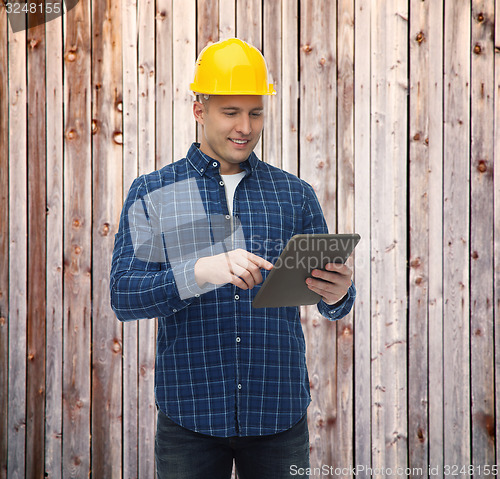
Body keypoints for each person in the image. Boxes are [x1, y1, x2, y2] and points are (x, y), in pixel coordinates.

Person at [110, 38, 356, 479]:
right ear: (199, 109)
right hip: (190, 419)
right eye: (231, 112)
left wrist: (338, 294)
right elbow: (124, 295)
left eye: (255, 112)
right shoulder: (154, 192)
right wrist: (196, 272)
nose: (245, 126)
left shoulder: (292, 195)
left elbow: (330, 295)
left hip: (278, 415)